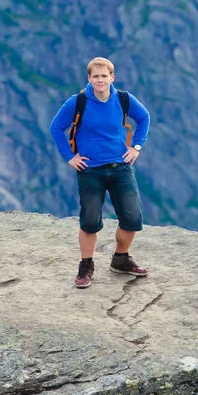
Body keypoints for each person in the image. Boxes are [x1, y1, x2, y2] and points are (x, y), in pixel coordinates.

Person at [49, 57, 151, 289]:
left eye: (104, 76)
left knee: (132, 218)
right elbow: (56, 127)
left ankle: (121, 259)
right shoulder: (78, 102)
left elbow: (144, 118)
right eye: (96, 76)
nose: (100, 80)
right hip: (90, 169)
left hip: (121, 167)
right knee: (90, 221)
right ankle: (86, 265)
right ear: (89, 78)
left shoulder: (124, 99)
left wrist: (136, 147)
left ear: (112, 77)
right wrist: (70, 157)